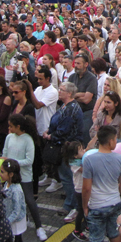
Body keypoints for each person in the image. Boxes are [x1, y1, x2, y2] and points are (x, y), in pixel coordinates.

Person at [82, 125, 121, 242]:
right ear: (110, 141)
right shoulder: (120, 159)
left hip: (96, 205)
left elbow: (86, 188)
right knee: (115, 234)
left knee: (96, 240)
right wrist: (118, 193)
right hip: (114, 202)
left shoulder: (89, 160)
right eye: (115, 139)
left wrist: (84, 206)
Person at [2, 114, 48, 242]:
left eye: (11, 126)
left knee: (29, 199)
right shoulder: (9, 137)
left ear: (18, 126)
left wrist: (12, 162)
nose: (9, 129)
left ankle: (39, 226)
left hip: (24, 175)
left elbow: (29, 160)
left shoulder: (28, 139)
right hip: (10, 175)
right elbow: (4, 153)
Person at [43, 82, 84, 220]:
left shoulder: (71, 109)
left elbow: (64, 129)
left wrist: (50, 136)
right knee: (66, 177)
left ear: (70, 93)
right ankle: (71, 203)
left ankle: (72, 205)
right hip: (62, 145)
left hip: (68, 148)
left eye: (62, 90)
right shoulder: (65, 106)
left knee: (69, 177)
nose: (59, 91)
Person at [0, 159, 27, 242]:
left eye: (2, 172)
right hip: (12, 221)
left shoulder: (16, 190)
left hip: (15, 223)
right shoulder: (7, 184)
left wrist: (6, 222)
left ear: (10, 174)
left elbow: (17, 211)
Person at [69, 53, 98, 145]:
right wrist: (80, 94)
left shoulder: (92, 78)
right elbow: (66, 95)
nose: (76, 66)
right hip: (72, 111)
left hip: (86, 112)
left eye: (79, 64)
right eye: (75, 63)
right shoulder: (72, 77)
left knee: (84, 136)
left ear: (86, 64)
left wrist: (74, 96)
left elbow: (87, 100)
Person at [63, 141, 87, 240]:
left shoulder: (80, 159)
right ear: (75, 155)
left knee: (87, 208)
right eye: (81, 150)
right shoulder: (74, 163)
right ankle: (77, 230)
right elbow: (86, 170)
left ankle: (86, 225)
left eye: (83, 148)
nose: (84, 151)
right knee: (81, 210)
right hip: (80, 190)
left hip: (85, 189)